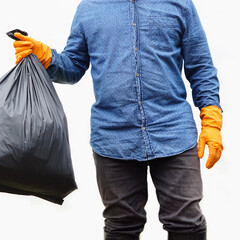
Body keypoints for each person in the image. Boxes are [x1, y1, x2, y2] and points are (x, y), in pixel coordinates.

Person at [12, 0, 223, 239]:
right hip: (113, 138)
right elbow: (73, 66)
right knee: (122, 225)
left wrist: (211, 120)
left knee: (186, 224)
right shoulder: (89, 8)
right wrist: (47, 58)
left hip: (173, 132)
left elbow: (201, 66)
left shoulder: (180, 4)